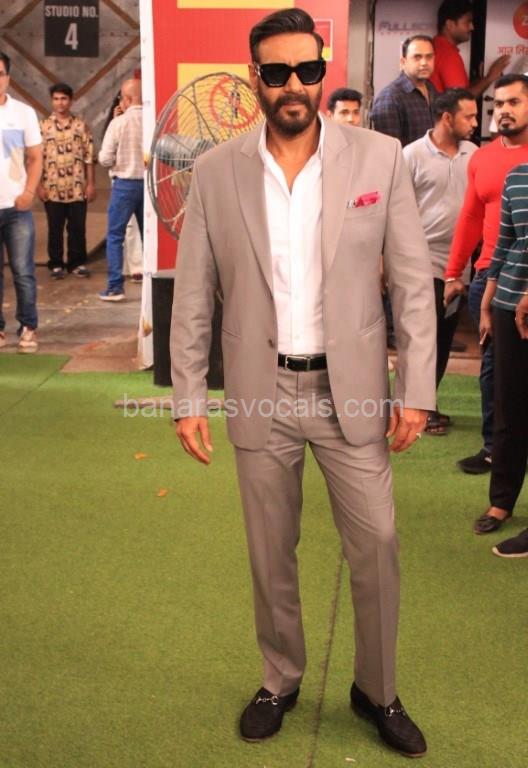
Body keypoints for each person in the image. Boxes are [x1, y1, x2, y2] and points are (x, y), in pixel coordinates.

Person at [170, 8, 436, 758]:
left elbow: (412, 283)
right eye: (277, 71)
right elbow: (193, 296)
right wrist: (188, 396)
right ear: (254, 76)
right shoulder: (215, 172)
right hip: (260, 391)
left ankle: (376, 689)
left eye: (308, 69)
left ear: (323, 72)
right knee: (270, 550)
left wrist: (417, 388)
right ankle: (280, 677)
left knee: (377, 543)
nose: (294, 84)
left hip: (351, 391)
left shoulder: (380, 159)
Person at [444, 74, 528, 474]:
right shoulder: (482, 157)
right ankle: (495, 448)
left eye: (514, 102)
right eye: (499, 104)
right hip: (490, 279)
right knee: (495, 371)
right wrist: (453, 272)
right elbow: (470, 217)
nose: (504, 111)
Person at [403, 88, 478, 434]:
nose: (475, 123)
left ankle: (426, 405)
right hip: (422, 264)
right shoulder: (411, 155)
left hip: (459, 268)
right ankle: (416, 408)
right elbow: (396, 211)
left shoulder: (473, 154)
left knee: (445, 337)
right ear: (447, 118)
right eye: (469, 116)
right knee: (424, 339)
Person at [474, 165, 528, 546]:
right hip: (509, 305)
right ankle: (501, 501)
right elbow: (504, 243)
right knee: (507, 406)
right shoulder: (516, 177)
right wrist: (488, 303)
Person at [0, 51, 42, 354]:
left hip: (16, 207)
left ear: (8, 77)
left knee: (23, 271)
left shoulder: (24, 113)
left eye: (0, 74)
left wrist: (29, 191)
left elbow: (36, 156)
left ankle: (28, 327)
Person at [38, 82, 95, 280]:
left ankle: (76, 263)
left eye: (63, 99)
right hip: (52, 188)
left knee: (77, 228)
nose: (60, 103)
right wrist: (38, 186)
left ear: (71, 101)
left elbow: (89, 157)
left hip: (77, 187)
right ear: (51, 101)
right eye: (56, 99)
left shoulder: (81, 126)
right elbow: (36, 159)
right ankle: (56, 264)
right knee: (54, 228)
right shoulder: (43, 127)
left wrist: (91, 184)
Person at [98, 78, 143, 301]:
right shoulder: (153, 120)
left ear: (126, 98)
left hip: (124, 185)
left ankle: (115, 287)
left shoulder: (118, 123)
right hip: (148, 185)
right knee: (149, 236)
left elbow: (104, 159)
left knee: (115, 236)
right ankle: (154, 283)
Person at [431, 0, 510, 95]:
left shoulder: (437, 45)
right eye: (467, 22)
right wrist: (490, 77)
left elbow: (462, 90)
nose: (472, 27)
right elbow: (460, 99)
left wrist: (483, 79)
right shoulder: (448, 55)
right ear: (450, 24)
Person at [370, 35, 437, 147]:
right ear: (403, 62)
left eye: (429, 57)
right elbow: (388, 150)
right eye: (417, 57)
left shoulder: (432, 90)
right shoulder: (390, 97)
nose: (424, 62)